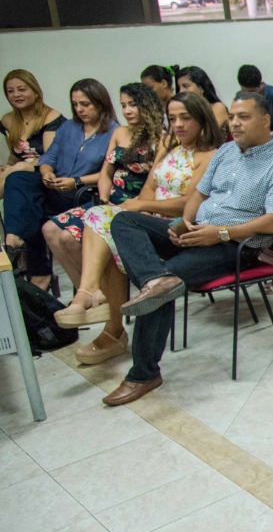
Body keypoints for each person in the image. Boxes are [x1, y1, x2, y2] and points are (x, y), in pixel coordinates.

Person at [102, 92, 273, 406]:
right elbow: (198, 193)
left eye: (244, 117)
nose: (234, 123)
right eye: (232, 116)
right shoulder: (225, 152)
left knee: (168, 279)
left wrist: (220, 233)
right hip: (196, 232)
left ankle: (144, 373)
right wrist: (185, 221)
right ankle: (155, 280)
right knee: (126, 220)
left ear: (265, 120)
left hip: (235, 246)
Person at [54, 93, 221, 365]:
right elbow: (150, 186)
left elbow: (189, 203)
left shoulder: (211, 154)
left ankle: (103, 315)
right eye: (173, 118)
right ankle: (103, 313)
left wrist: (138, 208)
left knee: (103, 219)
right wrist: (142, 210)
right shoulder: (170, 145)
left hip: (176, 225)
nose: (178, 124)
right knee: (107, 231)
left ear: (202, 119)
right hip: (148, 216)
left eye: (185, 118)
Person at [43, 83, 164, 288]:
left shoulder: (160, 137)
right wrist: (104, 199)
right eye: (123, 105)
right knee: (50, 229)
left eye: (133, 105)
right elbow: (107, 172)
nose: (127, 110)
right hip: (109, 200)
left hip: (137, 204)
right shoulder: (121, 133)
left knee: (68, 237)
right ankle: (91, 292)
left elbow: (153, 182)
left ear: (147, 105)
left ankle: (96, 292)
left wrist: (130, 205)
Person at [4, 79, 118, 290]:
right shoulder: (69, 127)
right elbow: (49, 157)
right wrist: (46, 173)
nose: (79, 110)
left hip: (82, 192)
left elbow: (110, 172)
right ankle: (13, 240)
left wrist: (75, 181)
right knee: (17, 179)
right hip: (56, 187)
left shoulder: (113, 131)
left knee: (32, 209)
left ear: (100, 103)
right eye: (75, 104)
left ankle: (38, 273)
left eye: (85, 104)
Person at [0, 69, 65, 199]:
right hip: (19, 172)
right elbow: (15, 156)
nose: (16, 95)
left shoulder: (51, 117)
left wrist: (17, 168)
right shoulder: (7, 120)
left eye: (22, 89)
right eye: (10, 91)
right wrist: (7, 167)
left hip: (47, 173)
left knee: (17, 170)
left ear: (35, 92)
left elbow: (50, 158)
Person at [176, 67, 229, 136]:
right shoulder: (184, 111)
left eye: (185, 86)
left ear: (201, 88)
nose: (181, 91)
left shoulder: (218, 107)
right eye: (179, 87)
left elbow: (204, 136)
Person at [236, 65, 273, 129]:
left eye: (252, 92)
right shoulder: (239, 96)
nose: (248, 96)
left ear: (261, 84)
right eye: (245, 92)